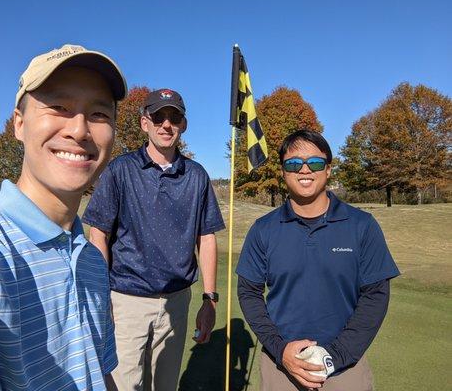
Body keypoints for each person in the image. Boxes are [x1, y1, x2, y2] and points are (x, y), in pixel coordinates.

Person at [0, 44, 127, 390]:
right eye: (58, 107)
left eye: (99, 114)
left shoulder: (90, 257)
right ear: (19, 123)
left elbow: (99, 369)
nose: (79, 130)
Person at [82, 88, 225, 390]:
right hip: (125, 300)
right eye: (158, 116)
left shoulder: (197, 175)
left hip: (177, 301)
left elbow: (207, 237)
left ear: (183, 125)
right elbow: (98, 233)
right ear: (144, 122)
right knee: (122, 386)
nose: (166, 124)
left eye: (174, 117)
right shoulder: (120, 170)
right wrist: (101, 295)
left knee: (165, 386)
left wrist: (210, 298)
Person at [236, 130, 400, 391]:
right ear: (283, 171)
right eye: (293, 163)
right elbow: (249, 292)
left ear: (328, 169)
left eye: (315, 162)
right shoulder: (263, 229)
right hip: (282, 366)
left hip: (345, 368)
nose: (304, 170)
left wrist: (335, 356)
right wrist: (281, 350)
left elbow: (376, 295)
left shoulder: (362, 225)